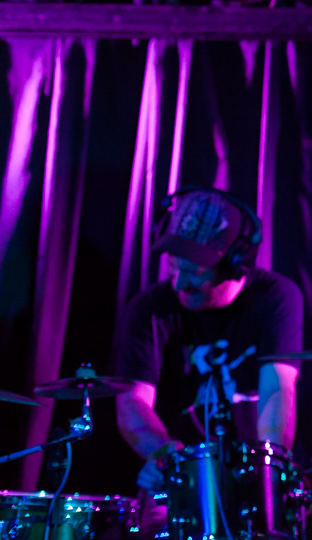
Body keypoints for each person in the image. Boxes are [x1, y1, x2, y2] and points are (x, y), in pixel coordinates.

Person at [113, 187, 301, 491]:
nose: (178, 284)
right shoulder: (148, 309)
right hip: (179, 480)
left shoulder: (275, 297)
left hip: (252, 476)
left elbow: (277, 391)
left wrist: (266, 469)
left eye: (192, 272)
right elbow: (132, 402)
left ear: (233, 264)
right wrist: (171, 459)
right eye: (172, 268)